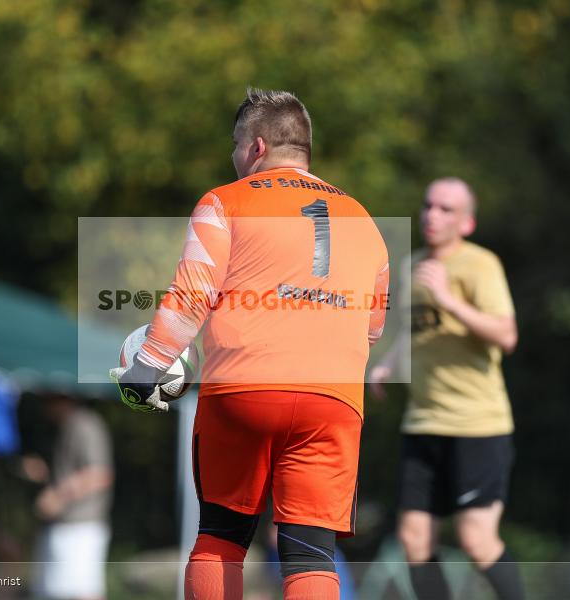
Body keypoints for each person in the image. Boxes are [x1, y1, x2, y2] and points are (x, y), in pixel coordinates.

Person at [111, 88, 390, 600]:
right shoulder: (366, 220)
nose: (234, 157)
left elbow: (193, 293)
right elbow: (373, 326)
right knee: (310, 553)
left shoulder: (226, 201)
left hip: (245, 389)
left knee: (221, 539)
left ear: (257, 147)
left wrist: (147, 367)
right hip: (334, 401)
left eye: (236, 145)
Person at [368, 177, 523, 600]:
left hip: (477, 424)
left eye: (446, 210)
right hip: (422, 422)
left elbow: (506, 335)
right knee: (415, 542)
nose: (432, 215)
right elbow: (415, 330)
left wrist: (449, 298)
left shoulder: (479, 265)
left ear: (467, 223)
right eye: (428, 206)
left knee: (476, 540)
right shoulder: (412, 264)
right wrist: (388, 363)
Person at [34, 395, 114, 600]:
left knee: (82, 592)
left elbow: (100, 475)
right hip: (68, 526)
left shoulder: (85, 424)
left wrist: (57, 496)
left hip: (80, 527)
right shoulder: (69, 425)